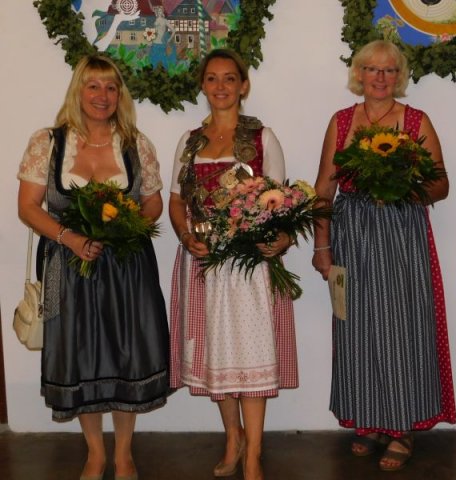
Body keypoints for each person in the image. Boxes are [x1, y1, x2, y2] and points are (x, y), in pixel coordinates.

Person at [17, 55, 169, 480]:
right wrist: (70, 238)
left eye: (111, 87)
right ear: (78, 91)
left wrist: (128, 225)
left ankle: (124, 454)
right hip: (68, 266)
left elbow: (153, 202)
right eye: (93, 86)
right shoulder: (48, 143)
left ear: (120, 95)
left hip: (127, 268)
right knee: (78, 354)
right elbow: (28, 207)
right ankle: (95, 453)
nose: (103, 96)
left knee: (128, 354)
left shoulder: (135, 144)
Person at [312, 40, 456, 472]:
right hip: (352, 234)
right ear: (359, 74)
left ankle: (402, 427)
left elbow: (441, 185)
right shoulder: (341, 121)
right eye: (372, 69)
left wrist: (401, 187)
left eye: (389, 70)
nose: (380, 77)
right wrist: (322, 247)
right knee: (355, 327)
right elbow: (323, 189)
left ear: (400, 76)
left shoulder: (416, 121)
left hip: (401, 234)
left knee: (402, 326)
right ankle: (369, 419)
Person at [168, 49, 298, 480]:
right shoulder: (189, 142)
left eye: (229, 78)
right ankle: (232, 438)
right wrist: (186, 236)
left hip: (249, 265)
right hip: (203, 261)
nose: (220, 86)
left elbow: (280, 200)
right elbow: (176, 202)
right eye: (212, 78)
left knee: (251, 355)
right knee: (216, 354)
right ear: (202, 86)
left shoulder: (263, 138)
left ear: (243, 85)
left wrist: (281, 237)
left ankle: (254, 452)